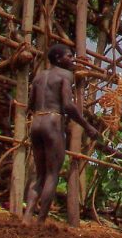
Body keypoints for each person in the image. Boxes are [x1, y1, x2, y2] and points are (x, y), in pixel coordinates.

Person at [23, 44, 114, 225]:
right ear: (58, 59)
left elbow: (30, 104)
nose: (72, 59)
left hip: (36, 123)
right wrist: (87, 126)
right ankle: (40, 221)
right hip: (52, 122)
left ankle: (26, 218)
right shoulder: (65, 76)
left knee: (39, 175)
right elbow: (68, 105)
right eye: (69, 56)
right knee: (52, 174)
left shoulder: (39, 76)